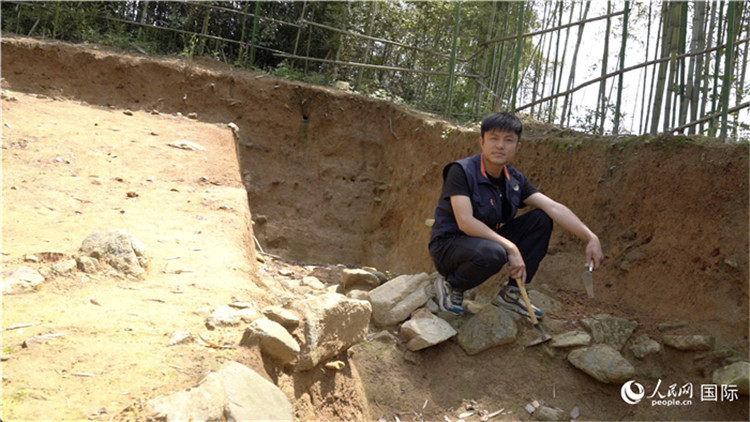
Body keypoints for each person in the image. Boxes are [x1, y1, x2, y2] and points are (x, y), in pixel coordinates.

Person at [429, 112, 603, 317]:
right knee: (495, 253)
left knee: (541, 219)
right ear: (482, 142)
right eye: (493, 138)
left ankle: (512, 294)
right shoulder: (462, 171)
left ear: (517, 147)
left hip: (487, 244)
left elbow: (554, 207)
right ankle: (452, 286)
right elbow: (465, 222)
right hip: (449, 247)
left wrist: (591, 237)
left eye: (508, 140)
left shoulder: (514, 180)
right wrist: (511, 247)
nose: (500, 145)